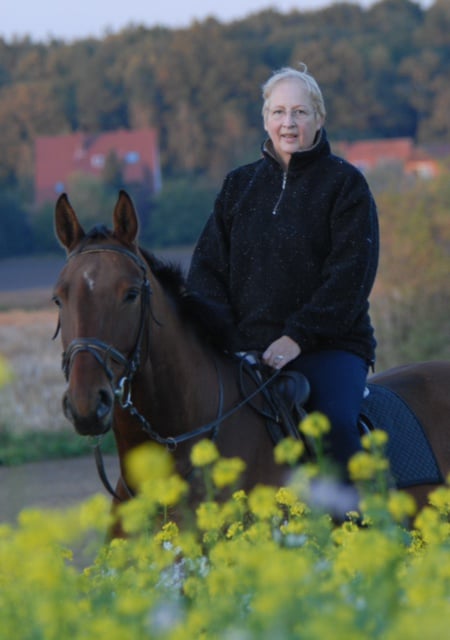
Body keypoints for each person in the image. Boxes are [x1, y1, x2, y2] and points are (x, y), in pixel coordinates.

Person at [187, 63, 379, 482]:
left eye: (300, 112)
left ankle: (362, 529)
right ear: (265, 119)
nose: (288, 123)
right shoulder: (238, 186)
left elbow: (351, 277)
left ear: (319, 118)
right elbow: (205, 273)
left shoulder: (346, 186)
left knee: (334, 427)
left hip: (329, 346)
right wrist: (231, 342)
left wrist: (297, 337)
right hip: (244, 354)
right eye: (278, 112)